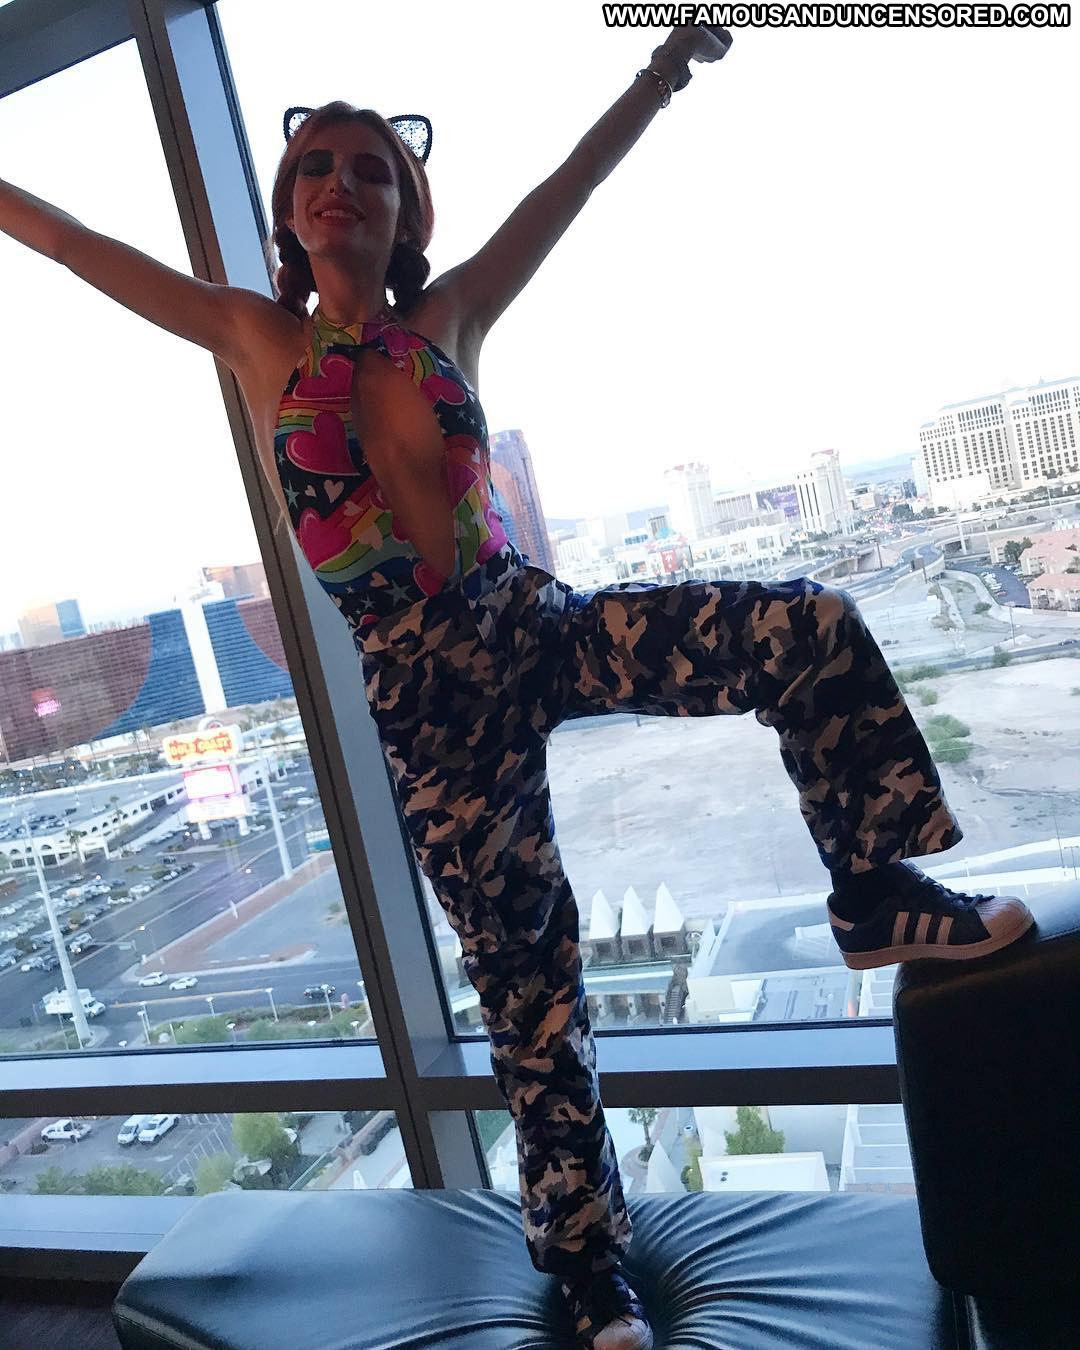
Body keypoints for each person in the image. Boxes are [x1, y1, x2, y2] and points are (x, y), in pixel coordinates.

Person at [0, 23, 1034, 1350]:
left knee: (805, 625)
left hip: (532, 621)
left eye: (370, 170)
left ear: (405, 211)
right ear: (289, 214)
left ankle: (876, 888)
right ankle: (590, 1268)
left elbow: (567, 187)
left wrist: (659, 74)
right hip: (424, 697)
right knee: (528, 985)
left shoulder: (447, 320)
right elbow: (76, 243)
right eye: (315, 168)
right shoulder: (256, 338)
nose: (339, 183)